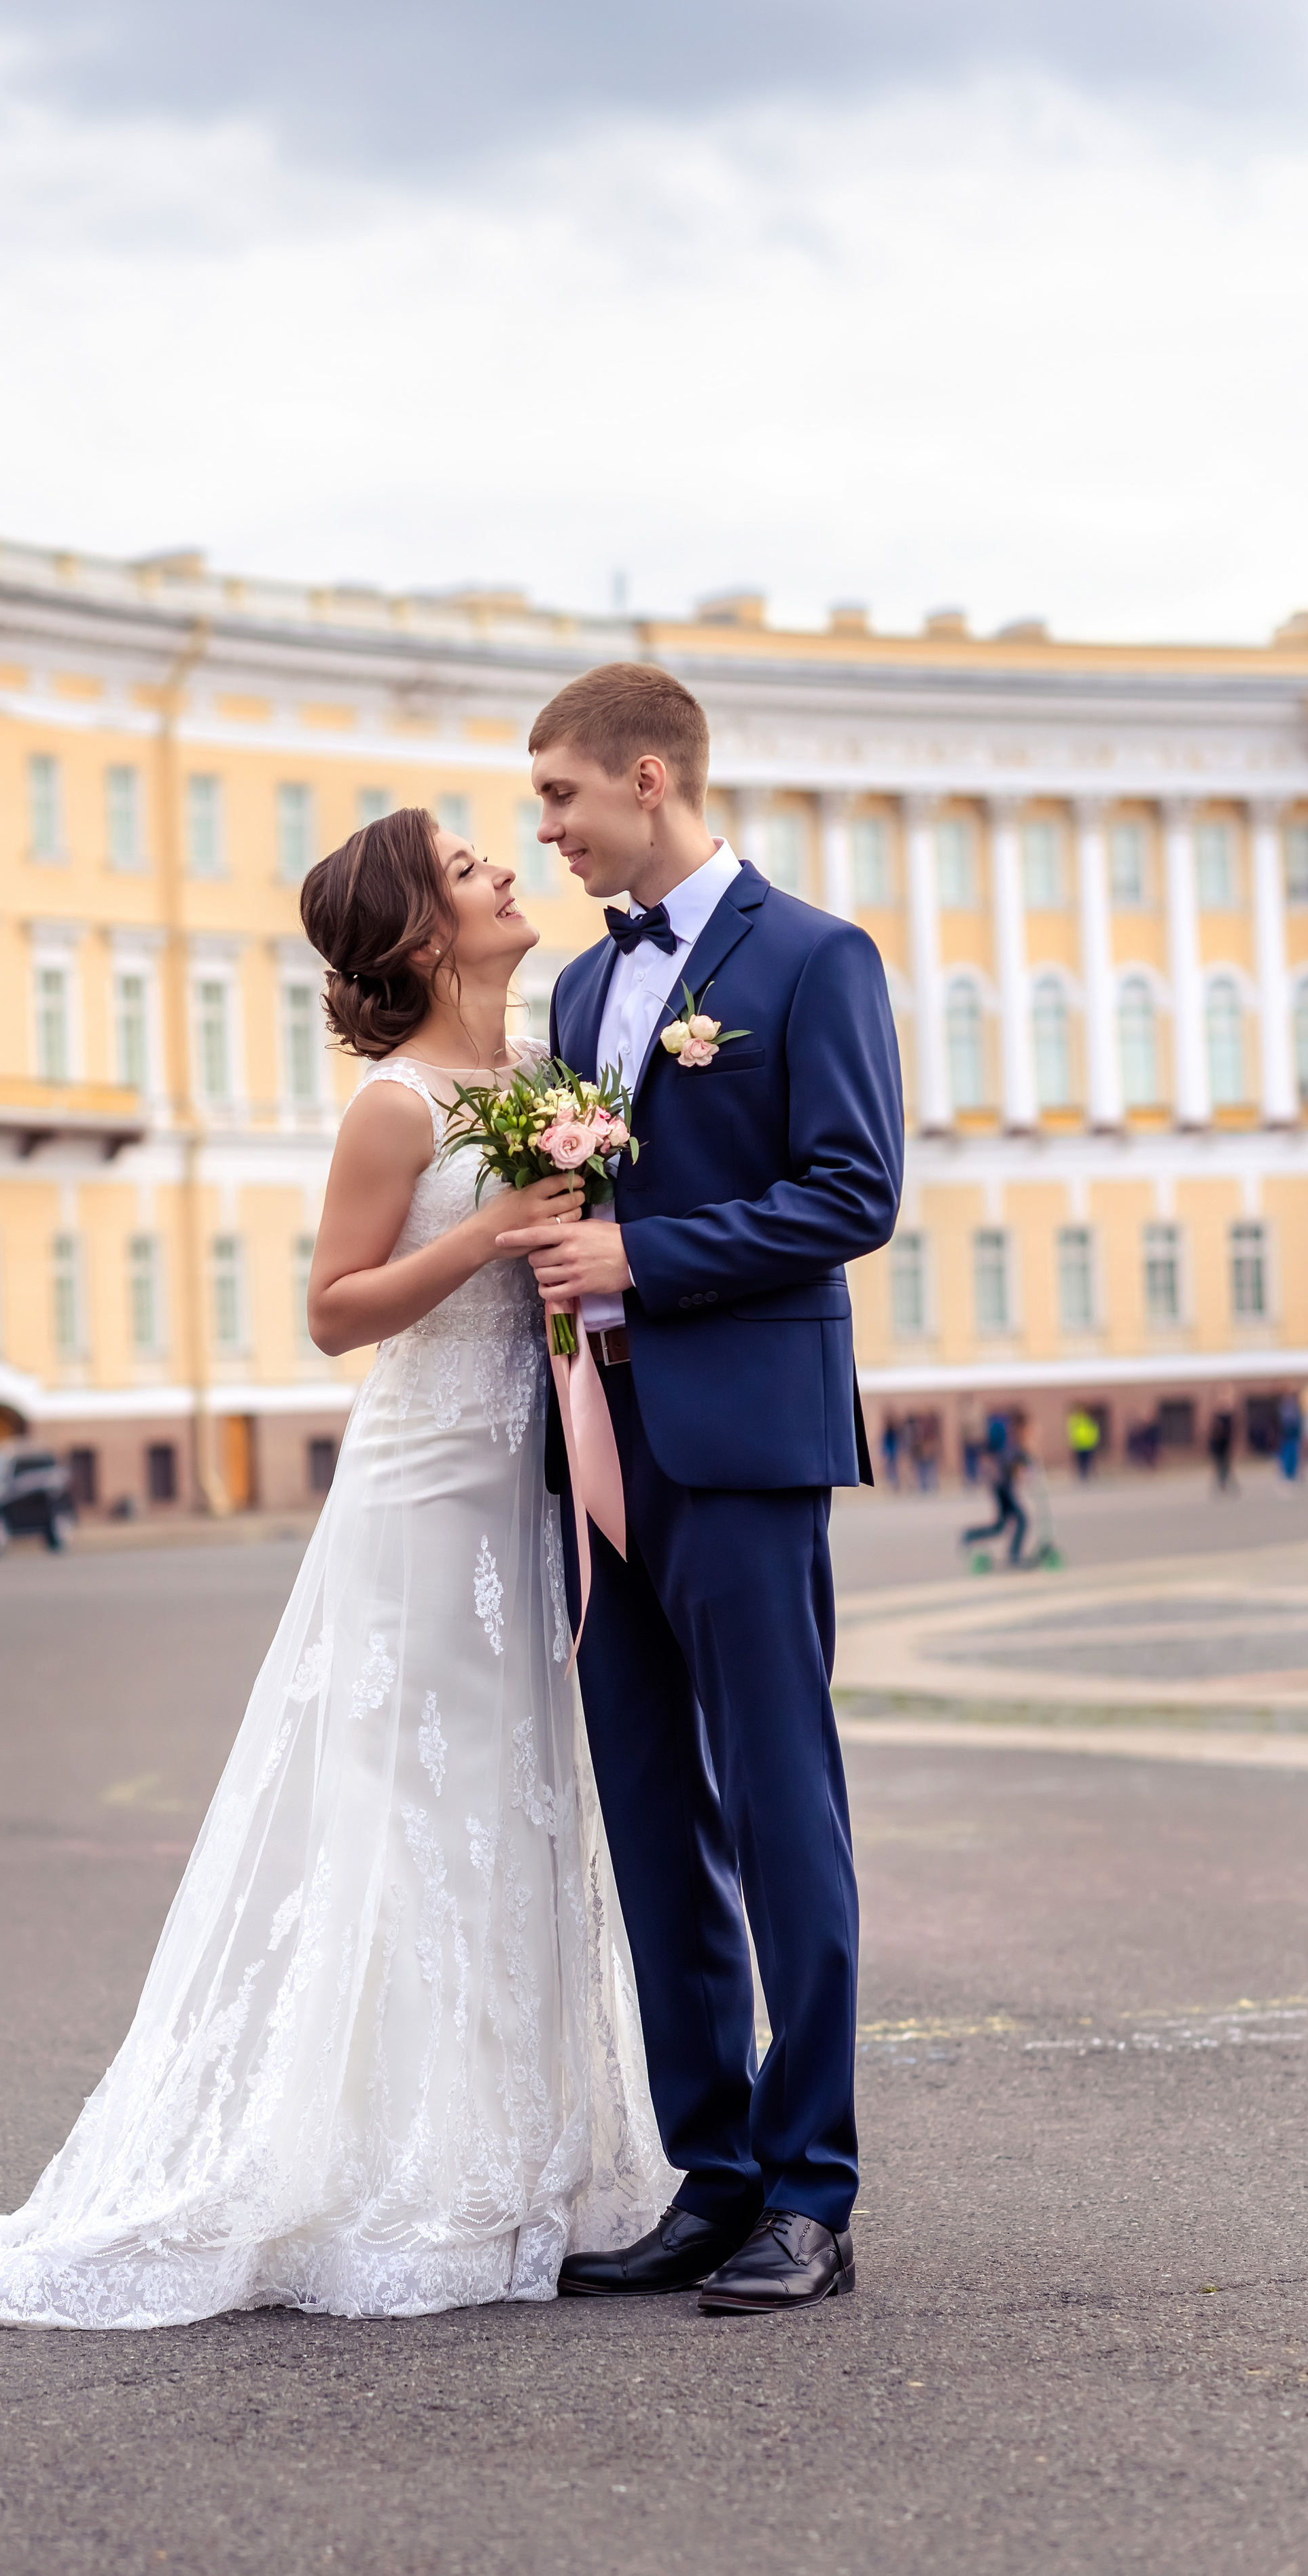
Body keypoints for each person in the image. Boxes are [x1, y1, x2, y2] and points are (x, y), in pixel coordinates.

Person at [0, 807, 672, 2329]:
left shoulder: (542, 1081)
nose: (500, 870)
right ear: (421, 935)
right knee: (409, 1810)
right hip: (423, 1503)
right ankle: (399, 2177)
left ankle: (520, 2161)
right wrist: (485, 1244)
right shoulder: (400, 1107)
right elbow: (334, 1313)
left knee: (522, 1806)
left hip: (525, 1488)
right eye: (469, 866)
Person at [497, 663, 904, 2318]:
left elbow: (850, 1186)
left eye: (562, 801)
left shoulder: (812, 957)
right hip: (599, 1453)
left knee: (780, 1810)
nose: (547, 836)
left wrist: (640, 1257)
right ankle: (710, 2168)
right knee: (654, 1816)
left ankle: (811, 2190)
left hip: (744, 1446)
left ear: (646, 779)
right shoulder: (584, 999)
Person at [961, 1411, 1031, 1566]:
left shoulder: (1000, 1443)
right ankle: (1014, 1555)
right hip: (1004, 1488)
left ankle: (970, 1535)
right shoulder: (1007, 1443)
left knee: (1000, 1526)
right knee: (1022, 1520)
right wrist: (1023, 1464)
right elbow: (1014, 1459)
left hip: (1001, 1487)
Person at [1207, 1390, 1239, 1495]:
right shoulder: (1216, 1416)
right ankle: (1221, 1483)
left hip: (1226, 1444)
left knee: (1226, 1464)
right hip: (1217, 1444)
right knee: (1219, 1464)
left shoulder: (1229, 1416)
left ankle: (1224, 1483)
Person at [1066, 1404, 1100, 1483]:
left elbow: (1094, 1432)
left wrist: (1094, 1442)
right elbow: (1072, 1432)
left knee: (1088, 1462)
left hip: (1088, 1445)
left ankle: (1087, 1477)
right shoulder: (1076, 1421)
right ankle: (1082, 1477)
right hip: (1079, 1446)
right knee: (1081, 1463)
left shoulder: (1089, 1420)